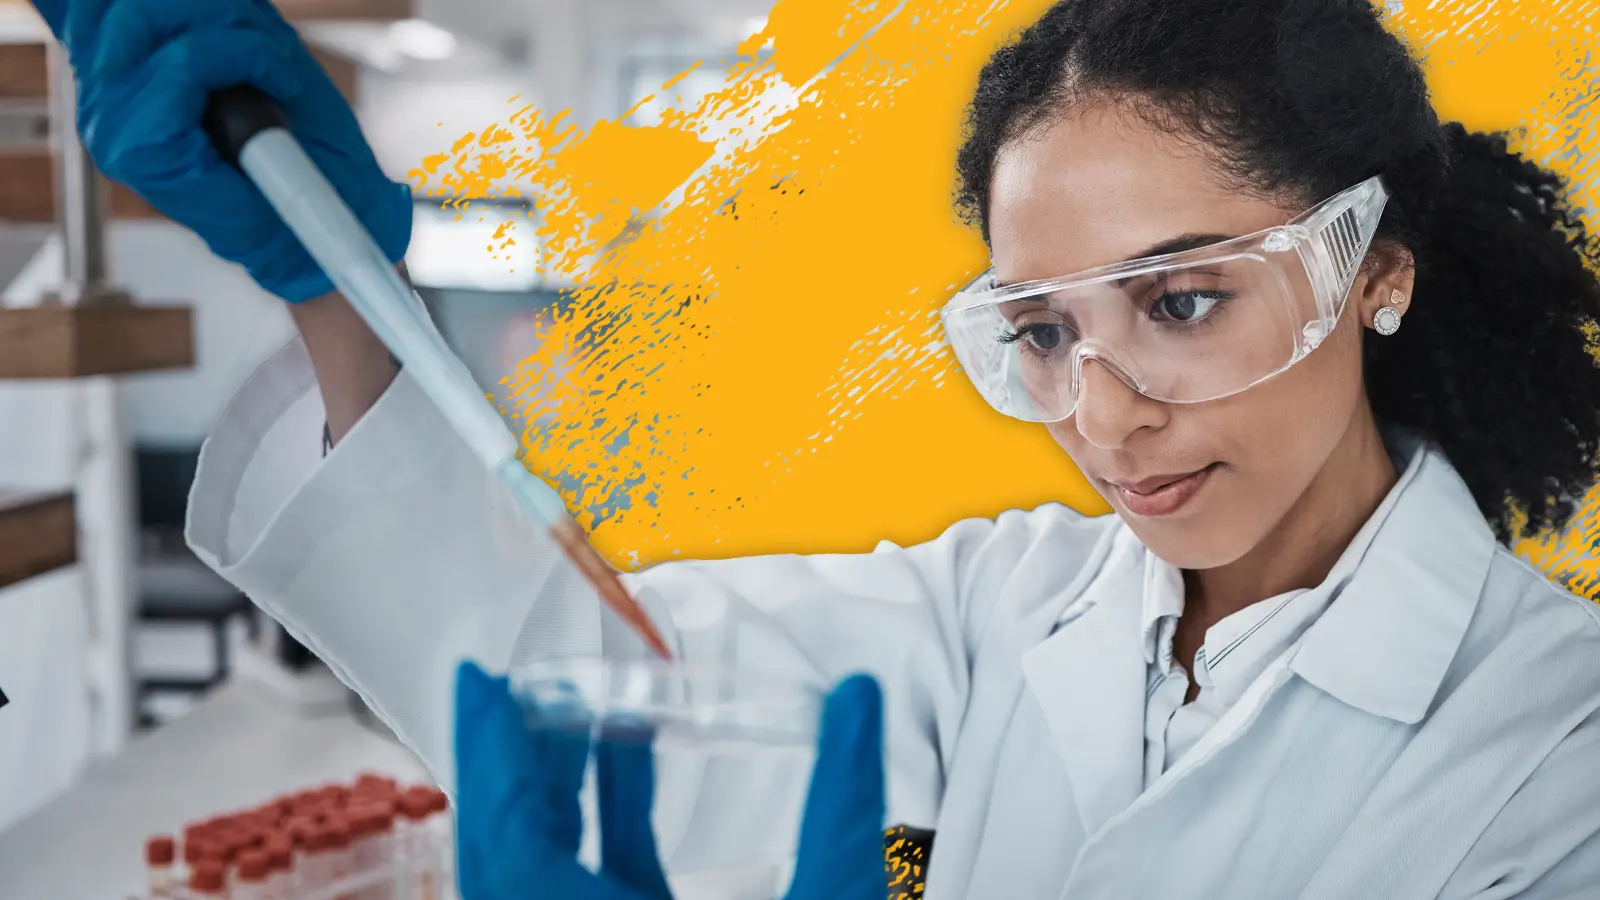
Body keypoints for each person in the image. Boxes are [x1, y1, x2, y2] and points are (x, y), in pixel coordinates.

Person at [36, 0, 1600, 894]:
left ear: (1374, 270)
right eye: (1044, 335)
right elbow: (577, 669)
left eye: (1183, 302)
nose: (1104, 417)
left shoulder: (1559, 750)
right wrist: (335, 287)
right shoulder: (1008, 607)